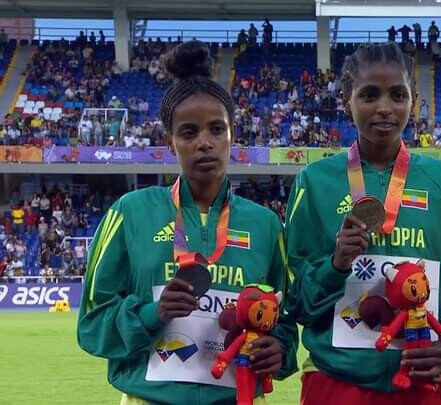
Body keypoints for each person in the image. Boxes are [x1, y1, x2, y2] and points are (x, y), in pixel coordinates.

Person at [76, 41, 298, 405]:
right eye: (189, 132)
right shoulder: (129, 213)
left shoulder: (266, 225)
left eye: (216, 129)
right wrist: (152, 313)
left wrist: (280, 350)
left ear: (232, 134)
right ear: (170, 142)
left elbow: (284, 319)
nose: (205, 143)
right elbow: (91, 324)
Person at [286, 42, 441, 405]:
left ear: (413, 100)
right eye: (370, 95)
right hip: (335, 382)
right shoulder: (313, 182)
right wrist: (335, 266)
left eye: (397, 95)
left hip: (422, 381)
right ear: (347, 100)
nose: (385, 107)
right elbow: (295, 302)